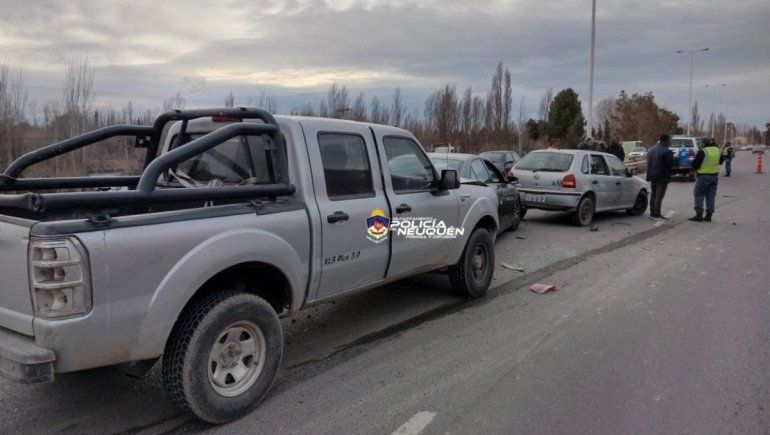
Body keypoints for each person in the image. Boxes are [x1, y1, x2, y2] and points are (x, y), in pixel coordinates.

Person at [689, 137, 725, 222]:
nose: (701, 144)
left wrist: (692, 163)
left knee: (699, 195)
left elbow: (695, 165)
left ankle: (699, 215)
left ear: (704, 143)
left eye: (702, 143)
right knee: (711, 196)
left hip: (703, 176)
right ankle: (709, 215)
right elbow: (720, 162)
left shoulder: (703, 151)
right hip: (714, 177)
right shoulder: (718, 150)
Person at [646, 134, 676, 220]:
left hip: (652, 175)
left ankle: (652, 213)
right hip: (662, 176)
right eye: (670, 140)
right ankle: (656, 214)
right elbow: (670, 163)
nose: (671, 142)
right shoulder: (666, 151)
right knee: (659, 196)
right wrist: (676, 159)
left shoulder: (651, 149)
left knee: (654, 195)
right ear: (666, 140)